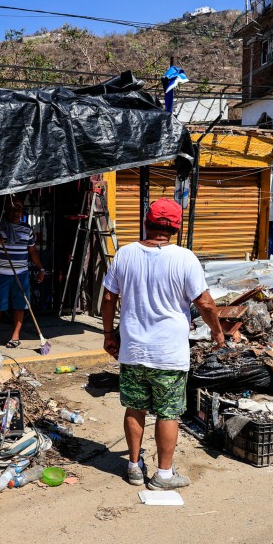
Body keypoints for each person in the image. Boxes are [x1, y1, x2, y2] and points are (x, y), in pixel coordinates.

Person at [100, 198, 224, 490]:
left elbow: (107, 298)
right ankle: (163, 476)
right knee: (168, 413)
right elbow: (205, 304)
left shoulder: (125, 254)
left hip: (133, 350)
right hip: (169, 354)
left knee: (135, 408)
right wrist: (218, 332)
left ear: (146, 221)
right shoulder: (185, 258)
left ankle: (133, 466)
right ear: (176, 229)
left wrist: (108, 334)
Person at [0, 197, 45, 348]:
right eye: (12, 209)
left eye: (18, 209)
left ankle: (15, 337)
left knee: (19, 305)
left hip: (20, 274)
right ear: (5, 211)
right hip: (0, 274)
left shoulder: (27, 229)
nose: (15, 212)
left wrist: (41, 268)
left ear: (22, 212)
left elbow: (32, 251)